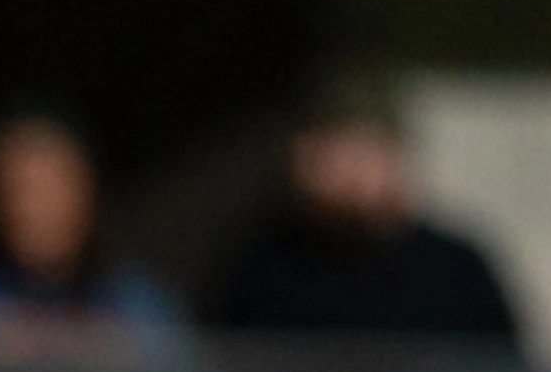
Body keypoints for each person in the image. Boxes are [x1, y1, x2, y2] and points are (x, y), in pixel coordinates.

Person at [213, 94, 519, 352]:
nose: (340, 172)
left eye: (356, 151)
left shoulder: (456, 272)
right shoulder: (264, 267)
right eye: (319, 154)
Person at [0, 110, 185, 366]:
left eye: (51, 186)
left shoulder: (132, 293)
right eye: (20, 189)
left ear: (86, 191)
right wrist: (96, 346)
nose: (35, 208)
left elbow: (166, 363)